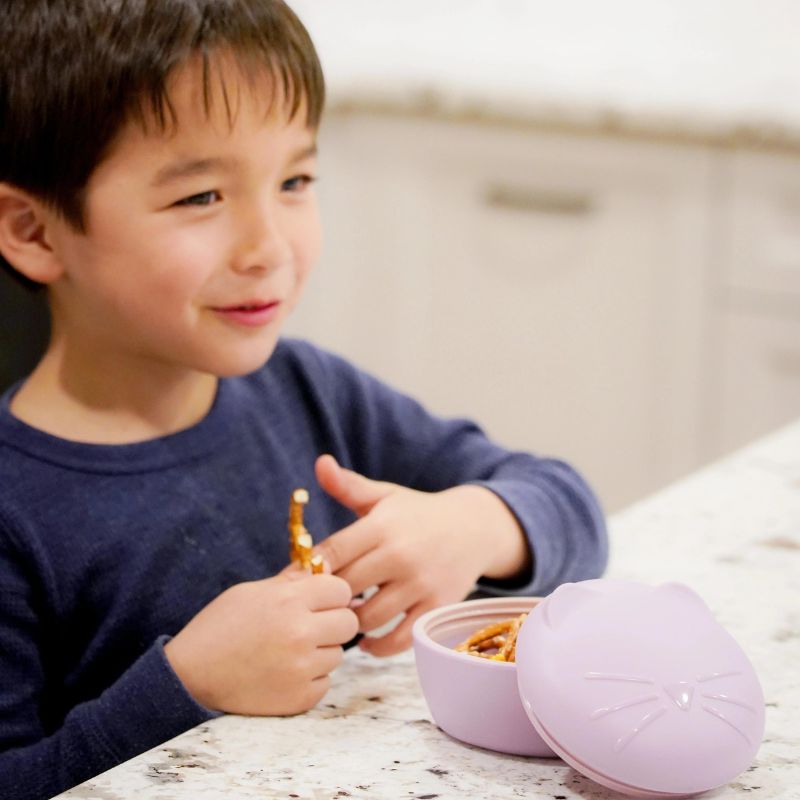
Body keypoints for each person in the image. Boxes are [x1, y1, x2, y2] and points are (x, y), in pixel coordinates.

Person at [0, 1, 608, 797]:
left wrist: (476, 525)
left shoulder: (310, 389)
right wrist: (186, 687)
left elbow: (571, 509)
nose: (270, 246)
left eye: (294, 181)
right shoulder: (16, 510)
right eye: (201, 198)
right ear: (35, 233)